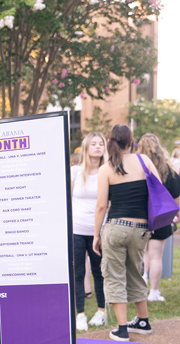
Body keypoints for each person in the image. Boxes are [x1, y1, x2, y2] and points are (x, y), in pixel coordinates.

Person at [93, 124, 160, 342]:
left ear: (110, 141)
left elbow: (101, 206)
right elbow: (157, 190)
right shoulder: (144, 160)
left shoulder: (106, 168)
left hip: (116, 227)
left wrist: (96, 235)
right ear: (131, 142)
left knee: (115, 275)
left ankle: (122, 329)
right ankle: (143, 321)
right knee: (136, 272)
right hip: (141, 228)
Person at [137, 133, 180, 302]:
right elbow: (176, 195)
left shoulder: (136, 167)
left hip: (140, 215)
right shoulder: (166, 169)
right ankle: (154, 292)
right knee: (156, 256)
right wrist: (176, 212)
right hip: (161, 216)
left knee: (143, 254)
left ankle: (142, 282)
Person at [70, 132, 108, 331]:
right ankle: (80, 314)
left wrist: (100, 232)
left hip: (99, 232)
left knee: (99, 272)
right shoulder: (75, 172)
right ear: (86, 147)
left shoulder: (107, 172)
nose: (98, 146)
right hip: (77, 230)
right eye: (93, 143)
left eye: (101, 143)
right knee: (78, 272)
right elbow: (66, 200)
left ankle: (101, 312)